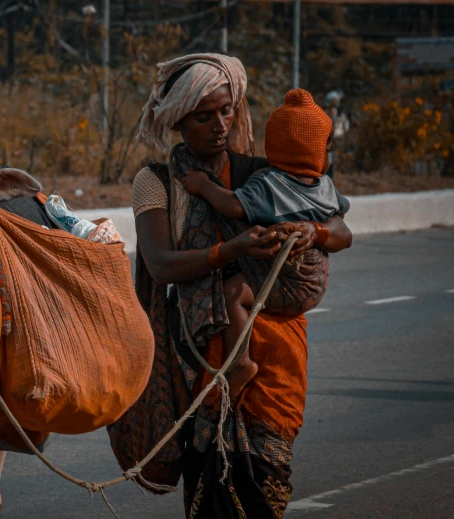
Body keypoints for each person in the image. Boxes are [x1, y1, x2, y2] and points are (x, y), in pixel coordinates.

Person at [107, 54, 352, 519]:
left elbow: (338, 229)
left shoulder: (266, 174)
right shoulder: (156, 183)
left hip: (276, 360)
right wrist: (231, 250)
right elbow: (159, 265)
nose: (220, 125)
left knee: (265, 485)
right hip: (204, 364)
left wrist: (311, 233)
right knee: (210, 493)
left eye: (227, 111)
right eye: (204, 116)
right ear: (178, 120)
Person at [179, 88, 350, 397]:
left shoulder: (268, 184)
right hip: (316, 283)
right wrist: (319, 231)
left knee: (233, 292)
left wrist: (204, 185)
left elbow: (232, 206)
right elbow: (345, 234)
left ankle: (241, 362)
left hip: (285, 283)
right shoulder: (326, 187)